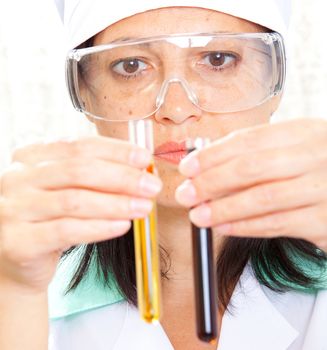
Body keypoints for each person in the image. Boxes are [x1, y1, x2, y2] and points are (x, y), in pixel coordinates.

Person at [0, 0, 327, 349]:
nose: (175, 109)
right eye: (131, 65)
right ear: (86, 93)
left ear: (274, 79)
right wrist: (14, 291)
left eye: (218, 59)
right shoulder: (27, 284)